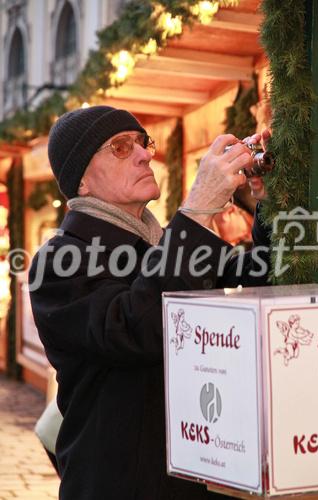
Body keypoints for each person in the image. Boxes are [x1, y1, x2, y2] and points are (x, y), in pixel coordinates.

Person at [29, 105, 271, 500]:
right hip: (119, 485)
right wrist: (195, 213)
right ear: (82, 181)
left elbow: (259, 272)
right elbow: (137, 329)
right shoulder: (58, 260)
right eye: (121, 147)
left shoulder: (160, 244)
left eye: (143, 142)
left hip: (195, 476)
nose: (144, 153)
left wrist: (268, 202)